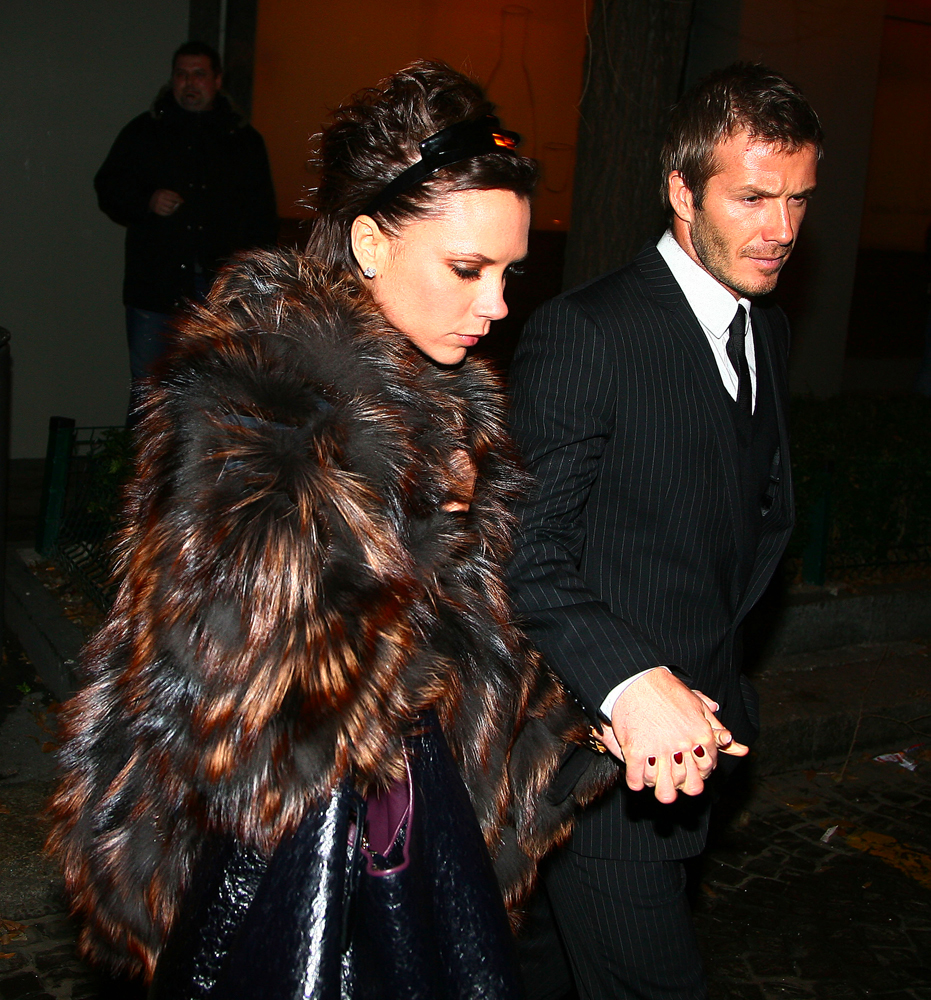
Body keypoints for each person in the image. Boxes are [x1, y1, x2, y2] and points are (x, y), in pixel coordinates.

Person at [47, 61, 616, 999]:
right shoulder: (260, 405)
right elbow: (239, 716)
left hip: (403, 854)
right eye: (467, 269)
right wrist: (417, 532)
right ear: (369, 242)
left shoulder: (443, 406)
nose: (496, 305)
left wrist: (591, 725)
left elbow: (465, 662)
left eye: (509, 273)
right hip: (272, 873)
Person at [508, 63, 822, 1000]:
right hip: (598, 764)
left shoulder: (763, 327)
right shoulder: (587, 333)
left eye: (798, 199)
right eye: (752, 198)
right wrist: (627, 681)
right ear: (681, 191)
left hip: (697, 746)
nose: (781, 229)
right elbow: (523, 550)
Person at [94, 40, 278, 394]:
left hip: (222, 294)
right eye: (181, 74)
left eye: (199, 74)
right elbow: (108, 186)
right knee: (151, 391)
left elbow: (262, 219)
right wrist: (147, 200)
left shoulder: (243, 142)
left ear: (217, 80)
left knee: (218, 392)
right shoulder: (144, 133)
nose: (189, 83)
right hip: (156, 290)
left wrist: (253, 284)